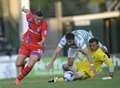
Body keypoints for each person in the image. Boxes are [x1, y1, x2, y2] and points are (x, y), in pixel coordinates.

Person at [15, 8, 48, 85]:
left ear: (42, 19)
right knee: (18, 64)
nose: (38, 21)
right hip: (26, 44)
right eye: (37, 19)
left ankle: (19, 78)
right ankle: (23, 63)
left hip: (37, 47)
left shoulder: (44, 24)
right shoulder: (30, 18)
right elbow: (27, 12)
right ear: (34, 17)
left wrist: (42, 42)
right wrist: (24, 9)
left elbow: (44, 36)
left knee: (31, 62)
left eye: (40, 20)